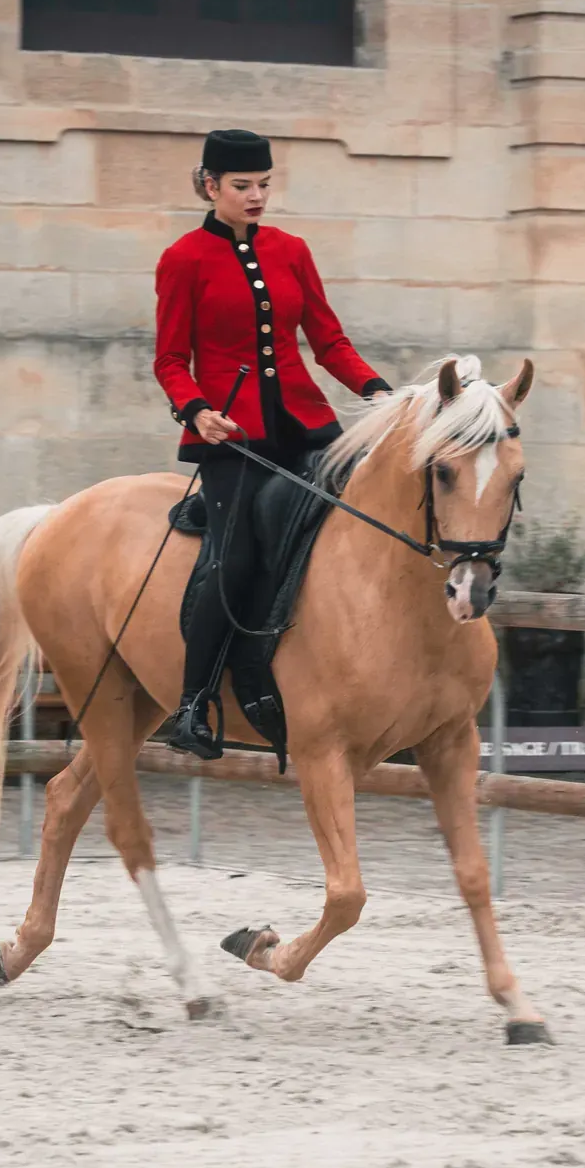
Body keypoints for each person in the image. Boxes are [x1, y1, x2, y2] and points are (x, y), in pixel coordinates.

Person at [153, 128, 391, 759]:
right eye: (242, 186)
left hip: (307, 423)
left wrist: (379, 391)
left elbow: (329, 341)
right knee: (231, 556)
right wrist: (197, 411)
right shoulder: (183, 259)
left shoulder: (292, 250)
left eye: (264, 184)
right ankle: (193, 703)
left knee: (366, 525)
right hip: (232, 435)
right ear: (210, 186)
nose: (257, 196)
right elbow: (171, 359)